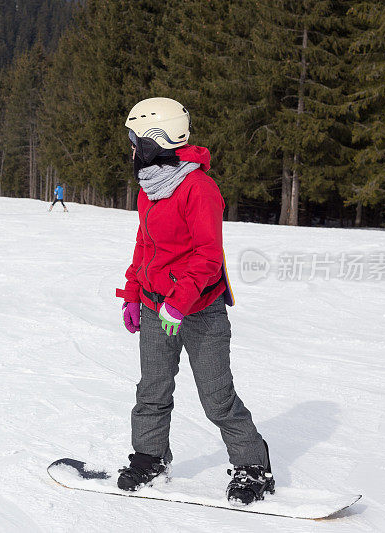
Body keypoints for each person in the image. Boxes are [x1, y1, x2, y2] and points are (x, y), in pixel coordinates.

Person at [115, 97, 273, 505]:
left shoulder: (199, 188)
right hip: (155, 307)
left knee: (217, 397)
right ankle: (150, 458)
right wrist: (134, 292)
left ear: (156, 139)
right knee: (152, 390)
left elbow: (207, 256)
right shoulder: (151, 184)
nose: (131, 148)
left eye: (135, 140)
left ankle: (253, 467)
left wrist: (179, 302)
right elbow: (144, 243)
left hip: (199, 311)